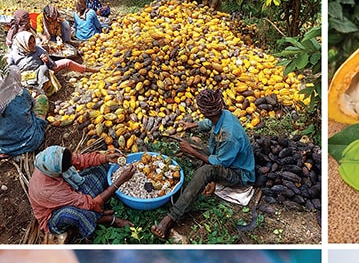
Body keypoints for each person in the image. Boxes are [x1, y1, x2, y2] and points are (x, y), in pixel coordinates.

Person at [151, 89, 255, 239]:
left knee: (205, 171)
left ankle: (170, 218)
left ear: (205, 111)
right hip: (220, 155)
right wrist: (191, 125)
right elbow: (208, 123)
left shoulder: (229, 135)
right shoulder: (222, 115)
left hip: (237, 173)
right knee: (186, 142)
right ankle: (204, 176)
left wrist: (193, 153)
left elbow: (220, 163)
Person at [27, 145, 136, 240]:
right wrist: (119, 182)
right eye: (69, 165)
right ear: (60, 170)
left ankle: (97, 213)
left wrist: (105, 157)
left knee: (102, 167)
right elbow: (88, 204)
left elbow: (80, 160)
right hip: (55, 214)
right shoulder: (48, 190)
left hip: (71, 190)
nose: (72, 164)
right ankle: (106, 219)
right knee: (74, 214)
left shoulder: (55, 157)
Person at [7, 32, 97, 96]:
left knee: (64, 63)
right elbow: (10, 69)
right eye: (29, 43)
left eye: (33, 42)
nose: (32, 45)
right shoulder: (13, 54)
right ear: (22, 44)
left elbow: (52, 65)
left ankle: (42, 92)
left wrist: (46, 60)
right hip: (24, 77)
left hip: (40, 72)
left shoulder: (38, 49)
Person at [0, 66, 47, 159]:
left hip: (4, 148)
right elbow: (31, 105)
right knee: (42, 99)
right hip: (31, 141)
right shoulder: (21, 94)